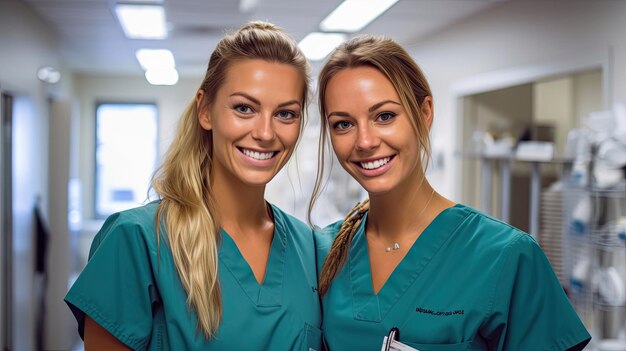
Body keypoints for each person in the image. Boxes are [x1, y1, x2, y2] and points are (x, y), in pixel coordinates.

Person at [309, 35, 591, 351]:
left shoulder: (505, 257)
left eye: (384, 116)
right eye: (343, 124)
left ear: (424, 113)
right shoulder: (323, 254)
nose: (364, 141)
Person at [65, 21, 322, 350]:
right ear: (205, 110)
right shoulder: (139, 239)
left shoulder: (309, 249)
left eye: (286, 114)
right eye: (244, 108)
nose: (266, 133)